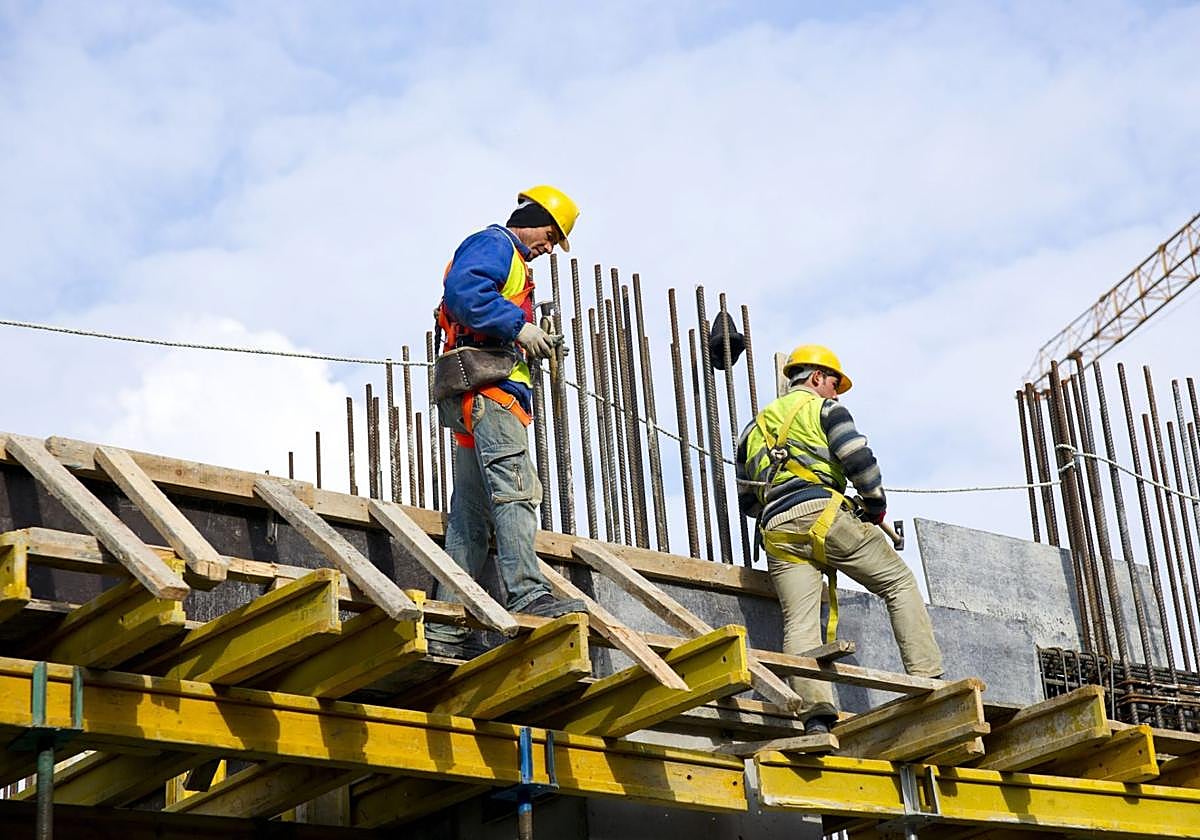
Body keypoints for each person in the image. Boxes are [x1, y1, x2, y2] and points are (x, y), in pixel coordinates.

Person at [736, 344, 943, 733]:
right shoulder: (825, 410)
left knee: (799, 622)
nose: (835, 392)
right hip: (825, 516)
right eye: (833, 384)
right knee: (898, 582)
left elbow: (748, 500)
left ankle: (816, 716)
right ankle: (929, 681)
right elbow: (859, 460)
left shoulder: (752, 430)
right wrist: (874, 506)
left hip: (777, 531)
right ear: (816, 378)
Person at [426, 185, 586, 659]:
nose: (550, 247)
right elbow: (464, 293)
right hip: (491, 396)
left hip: (476, 397)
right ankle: (528, 592)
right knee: (517, 492)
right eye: (551, 235)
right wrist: (519, 328)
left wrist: (527, 335)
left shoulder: (511, 261)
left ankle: (447, 626)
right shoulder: (496, 244)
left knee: (471, 519)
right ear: (533, 218)